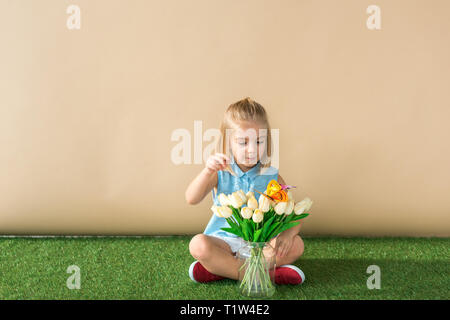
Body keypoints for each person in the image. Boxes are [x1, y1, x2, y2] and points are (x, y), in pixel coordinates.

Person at [185, 97, 305, 284]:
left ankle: (221, 270)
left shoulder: (270, 176)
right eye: (243, 142)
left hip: (260, 245)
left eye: (259, 142)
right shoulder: (221, 172)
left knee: (297, 245)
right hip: (224, 243)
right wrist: (207, 171)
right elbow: (191, 198)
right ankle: (261, 275)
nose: (252, 150)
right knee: (198, 245)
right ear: (228, 142)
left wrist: (288, 235)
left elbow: (294, 214)